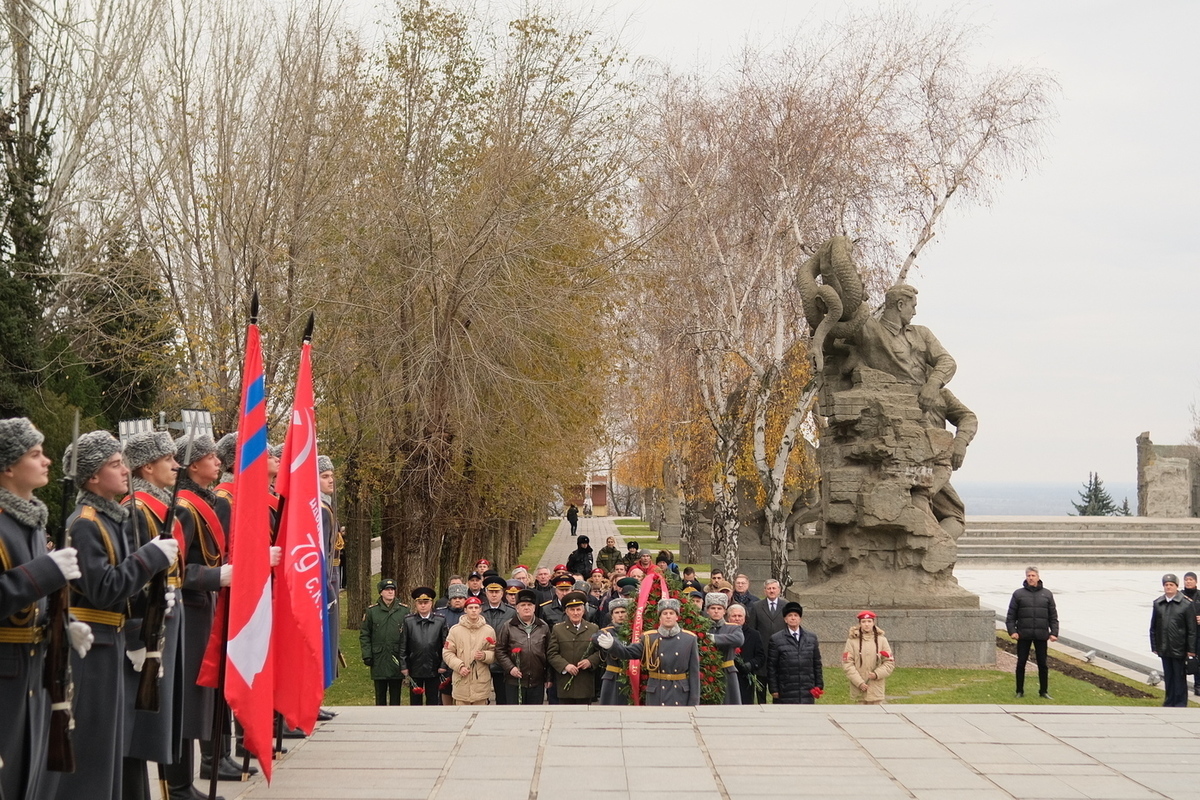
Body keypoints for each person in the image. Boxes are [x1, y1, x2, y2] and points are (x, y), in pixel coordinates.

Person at [45, 431, 176, 800]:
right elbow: (103, 587)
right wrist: (151, 558)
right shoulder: (86, 523)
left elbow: (123, 585)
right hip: (93, 649)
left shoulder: (110, 518)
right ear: (91, 477)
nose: (124, 471)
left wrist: (150, 600)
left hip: (112, 642)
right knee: (91, 753)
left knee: (110, 750)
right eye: (115, 465)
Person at [0, 418, 88, 800]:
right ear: (7, 466)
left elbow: (37, 601)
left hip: (33, 668)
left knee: (29, 778)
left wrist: (64, 622)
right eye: (35, 455)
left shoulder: (31, 520)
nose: (47, 461)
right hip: (5, 672)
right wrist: (44, 572)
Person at [122, 430, 190, 800]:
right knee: (142, 723)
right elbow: (133, 580)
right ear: (147, 467)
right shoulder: (136, 511)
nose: (176, 466)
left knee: (160, 720)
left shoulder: (159, 505)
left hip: (168, 617)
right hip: (150, 626)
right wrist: (137, 636)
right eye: (168, 460)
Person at [170, 432, 235, 792]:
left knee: (204, 697)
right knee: (188, 702)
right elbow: (176, 568)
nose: (217, 462)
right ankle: (179, 786)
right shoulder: (184, 506)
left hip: (205, 607)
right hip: (190, 611)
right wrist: (215, 575)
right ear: (194, 464)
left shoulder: (200, 500)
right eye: (211, 457)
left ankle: (192, 778)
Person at [598, 598, 700, 706]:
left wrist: (694, 700)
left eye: (671, 613)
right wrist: (613, 646)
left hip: (679, 691)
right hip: (657, 690)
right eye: (665, 613)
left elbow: (694, 673)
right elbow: (628, 652)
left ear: (677, 616)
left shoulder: (689, 639)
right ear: (660, 617)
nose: (668, 616)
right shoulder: (649, 638)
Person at [1005, 566, 1059, 699]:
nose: (1031, 578)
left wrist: (1054, 633)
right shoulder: (1018, 594)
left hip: (1041, 635)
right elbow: (1011, 616)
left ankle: (1043, 691)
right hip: (1024, 634)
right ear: (1026, 577)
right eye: (1028, 575)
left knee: (1043, 664)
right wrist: (1012, 631)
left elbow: (1053, 616)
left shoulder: (1047, 594)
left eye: (1033, 575)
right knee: (1021, 663)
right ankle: (1019, 691)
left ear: (1038, 577)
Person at [495, 589, 551, 705]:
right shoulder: (508, 626)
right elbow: (500, 650)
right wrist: (511, 668)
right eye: (523, 605)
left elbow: (549, 652)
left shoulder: (543, 627)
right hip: (514, 681)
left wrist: (548, 677)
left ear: (534, 607)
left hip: (537, 681)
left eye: (529, 605)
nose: (526, 608)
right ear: (517, 608)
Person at [1151, 573, 1196, 708]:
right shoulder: (1158, 603)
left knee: (1179, 676)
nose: (1168, 587)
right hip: (1164, 646)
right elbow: (1153, 627)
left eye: (1171, 585)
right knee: (1169, 676)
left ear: (1177, 586)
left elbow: (1191, 630)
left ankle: (1180, 702)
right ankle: (1169, 700)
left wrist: (1191, 650)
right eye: (1166, 585)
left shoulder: (1186, 605)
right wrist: (1154, 645)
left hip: (1179, 647)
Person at [547, 591, 601, 704]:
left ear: (583, 611)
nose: (575, 613)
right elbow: (552, 653)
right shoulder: (558, 629)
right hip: (565, 682)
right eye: (572, 610)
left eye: (578, 609)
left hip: (585, 682)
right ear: (566, 612)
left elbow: (600, 652)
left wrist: (590, 661)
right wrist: (565, 666)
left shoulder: (593, 629)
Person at [360, 579, 407, 705]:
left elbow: (408, 636)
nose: (390, 592)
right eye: (387, 590)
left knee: (396, 695)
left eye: (392, 589)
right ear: (381, 592)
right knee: (380, 695)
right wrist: (367, 655)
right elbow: (365, 634)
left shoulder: (404, 611)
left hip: (396, 657)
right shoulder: (372, 611)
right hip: (379, 658)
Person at [443, 597, 496, 705]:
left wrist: (485, 655)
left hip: (481, 684)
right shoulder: (455, 630)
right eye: (470, 607)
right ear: (465, 610)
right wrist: (459, 666)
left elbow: (494, 652)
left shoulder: (488, 630)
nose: (473, 610)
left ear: (480, 609)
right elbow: (447, 653)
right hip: (461, 682)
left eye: (476, 607)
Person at [768, 602, 823, 704]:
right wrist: (774, 689)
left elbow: (817, 663)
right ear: (785, 619)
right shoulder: (776, 639)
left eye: (796, 615)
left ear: (800, 619)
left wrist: (818, 685)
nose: (793, 618)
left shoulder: (811, 638)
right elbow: (772, 666)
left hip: (807, 688)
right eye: (790, 615)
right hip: (785, 688)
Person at [400, 587, 448, 705]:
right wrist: (404, 666)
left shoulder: (440, 620)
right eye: (420, 603)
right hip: (415, 666)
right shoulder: (408, 621)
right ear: (416, 604)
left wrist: (443, 665)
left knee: (433, 699)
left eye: (426, 602)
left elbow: (446, 645)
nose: (423, 606)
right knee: (415, 700)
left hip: (434, 666)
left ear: (431, 603)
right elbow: (403, 645)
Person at [842, 611, 895, 705]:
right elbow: (847, 664)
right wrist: (859, 683)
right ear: (860, 623)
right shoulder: (852, 641)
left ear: (873, 623)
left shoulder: (882, 640)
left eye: (869, 621)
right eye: (864, 621)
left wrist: (876, 674)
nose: (866, 624)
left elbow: (889, 662)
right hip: (859, 689)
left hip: (876, 689)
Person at [747, 579, 787, 696]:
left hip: (780, 651)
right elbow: (752, 629)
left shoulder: (785, 605)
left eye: (774, 588)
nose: (771, 591)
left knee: (779, 688)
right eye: (769, 588)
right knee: (761, 688)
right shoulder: (756, 606)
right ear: (764, 591)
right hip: (762, 652)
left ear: (779, 590)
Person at [481, 575, 515, 704]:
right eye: (491, 591)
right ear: (486, 593)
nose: (494, 595)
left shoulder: (511, 612)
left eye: (497, 592)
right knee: (481, 697)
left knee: (502, 697)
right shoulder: (479, 610)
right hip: (482, 660)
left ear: (502, 593)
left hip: (502, 661)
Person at [704, 593, 744, 704]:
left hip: (727, 672)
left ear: (724, 611)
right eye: (712, 608)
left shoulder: (732, 628)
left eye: (719, 608)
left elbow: (739, 640)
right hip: (707, 673)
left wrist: (714, 639)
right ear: (707, 610)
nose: (716, 611)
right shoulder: (702, 627)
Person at [727, 604, 765, 704]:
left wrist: (751, 665)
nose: (737, 619)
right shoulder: (723, 633)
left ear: (745, 618)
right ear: (728, 617)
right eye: (734, 616)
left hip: (745, 679)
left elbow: (760, 657)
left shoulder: (754, 635)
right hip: (727, 677)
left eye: (740, 616)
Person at [595, 598, 630, 705]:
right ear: (612, 615)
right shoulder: (607, 631)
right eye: (617, 612)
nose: (620, 615)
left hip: (632, 676)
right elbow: (595, 638)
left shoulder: (636, 630)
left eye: (623, 612)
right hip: (613, 677)